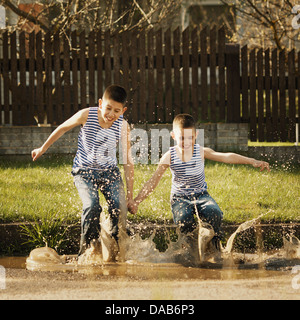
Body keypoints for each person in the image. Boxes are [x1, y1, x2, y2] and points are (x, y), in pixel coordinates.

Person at [128, 114, 270, 259]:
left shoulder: (200, 151)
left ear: (196, 135)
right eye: (182, 138)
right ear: (173, 136)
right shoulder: (170, 156)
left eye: (190, 137)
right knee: (184, 219)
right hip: (180, 198)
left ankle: (214, 247)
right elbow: (153, 181)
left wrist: (252, 161)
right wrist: (137, 201)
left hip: (201, 195)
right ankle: (190, 249)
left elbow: (226, 156)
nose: (187, 142)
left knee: (214, 213)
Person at [32, 85, 134, 261]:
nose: (111, 114)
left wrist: (130, 196)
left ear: (123, 111)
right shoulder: (86, 115)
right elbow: (62, 128)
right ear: (101, 103)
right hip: (84, 172)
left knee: (119, 206)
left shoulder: (123, 126)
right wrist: (43, 148)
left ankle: (119, 251)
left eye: (116, 111)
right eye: (108, 108)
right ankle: (88, 252)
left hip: (110, 173)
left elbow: (128, 161)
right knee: (91, 206)